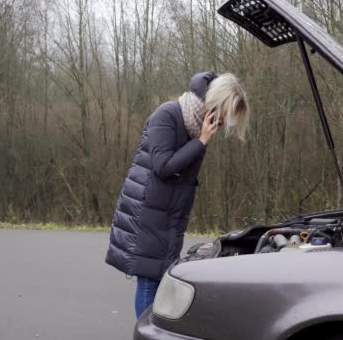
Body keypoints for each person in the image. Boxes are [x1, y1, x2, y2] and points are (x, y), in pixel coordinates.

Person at [105, 72, 251, 318]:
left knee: (163, 281)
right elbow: (162, 167)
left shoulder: (197, 125)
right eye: (226, 114)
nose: (225, 122)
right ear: (215, 104)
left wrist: (200, 140)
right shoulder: (168, 115)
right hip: (147, 213)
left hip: (169, 218)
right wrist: (201, 141)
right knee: (150, 282)